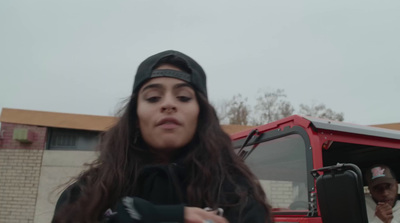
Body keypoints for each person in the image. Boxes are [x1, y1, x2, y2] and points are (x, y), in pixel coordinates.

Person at [52, 50, 273, 223]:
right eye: (154, 97)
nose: (168, 104)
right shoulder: (88, 193)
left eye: (184, 97)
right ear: (135, 116)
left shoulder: (237, 195)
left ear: (201, 115)